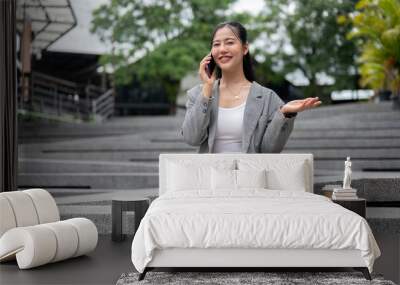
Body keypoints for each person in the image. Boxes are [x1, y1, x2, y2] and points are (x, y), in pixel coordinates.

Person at [181, 21, 321, 153]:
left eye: (229, 42)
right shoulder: (197, 94)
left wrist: (284, 114)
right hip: (210, 176)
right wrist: (207, 89)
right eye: (216, 44)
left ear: (245, 48)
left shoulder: (267, 98)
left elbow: (269, 150)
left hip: (250, 176)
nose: (222, 49)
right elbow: (192, 138)